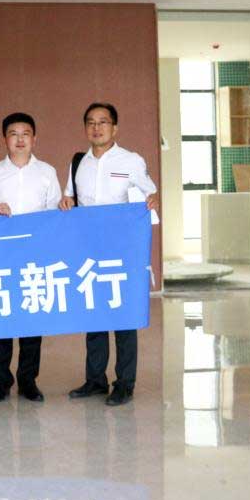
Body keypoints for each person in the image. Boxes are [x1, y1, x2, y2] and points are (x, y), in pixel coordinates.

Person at [60, 102, 160, 407]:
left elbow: (150, 194)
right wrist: (66, 202)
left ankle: (125, 383)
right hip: (89, 249)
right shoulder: (78, 163)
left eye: (103, 122)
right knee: (94, 315)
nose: (97, 128)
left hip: (122, 250)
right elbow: (69, 198)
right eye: (91, 122)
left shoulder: (131, 160)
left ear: (114, 128)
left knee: (123, 316)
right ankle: (95, 379)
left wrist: (153, 199)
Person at [0, 112, 62, 404]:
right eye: (13, 134)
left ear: (34, 138)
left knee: (32, 320)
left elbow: (54, 212)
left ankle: (28, 381)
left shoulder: (47, 172)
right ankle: (1, 382)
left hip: (34, 256)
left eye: (25, 134)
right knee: (1, 320)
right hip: (1, 256)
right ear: (4, 139)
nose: (20, 140)